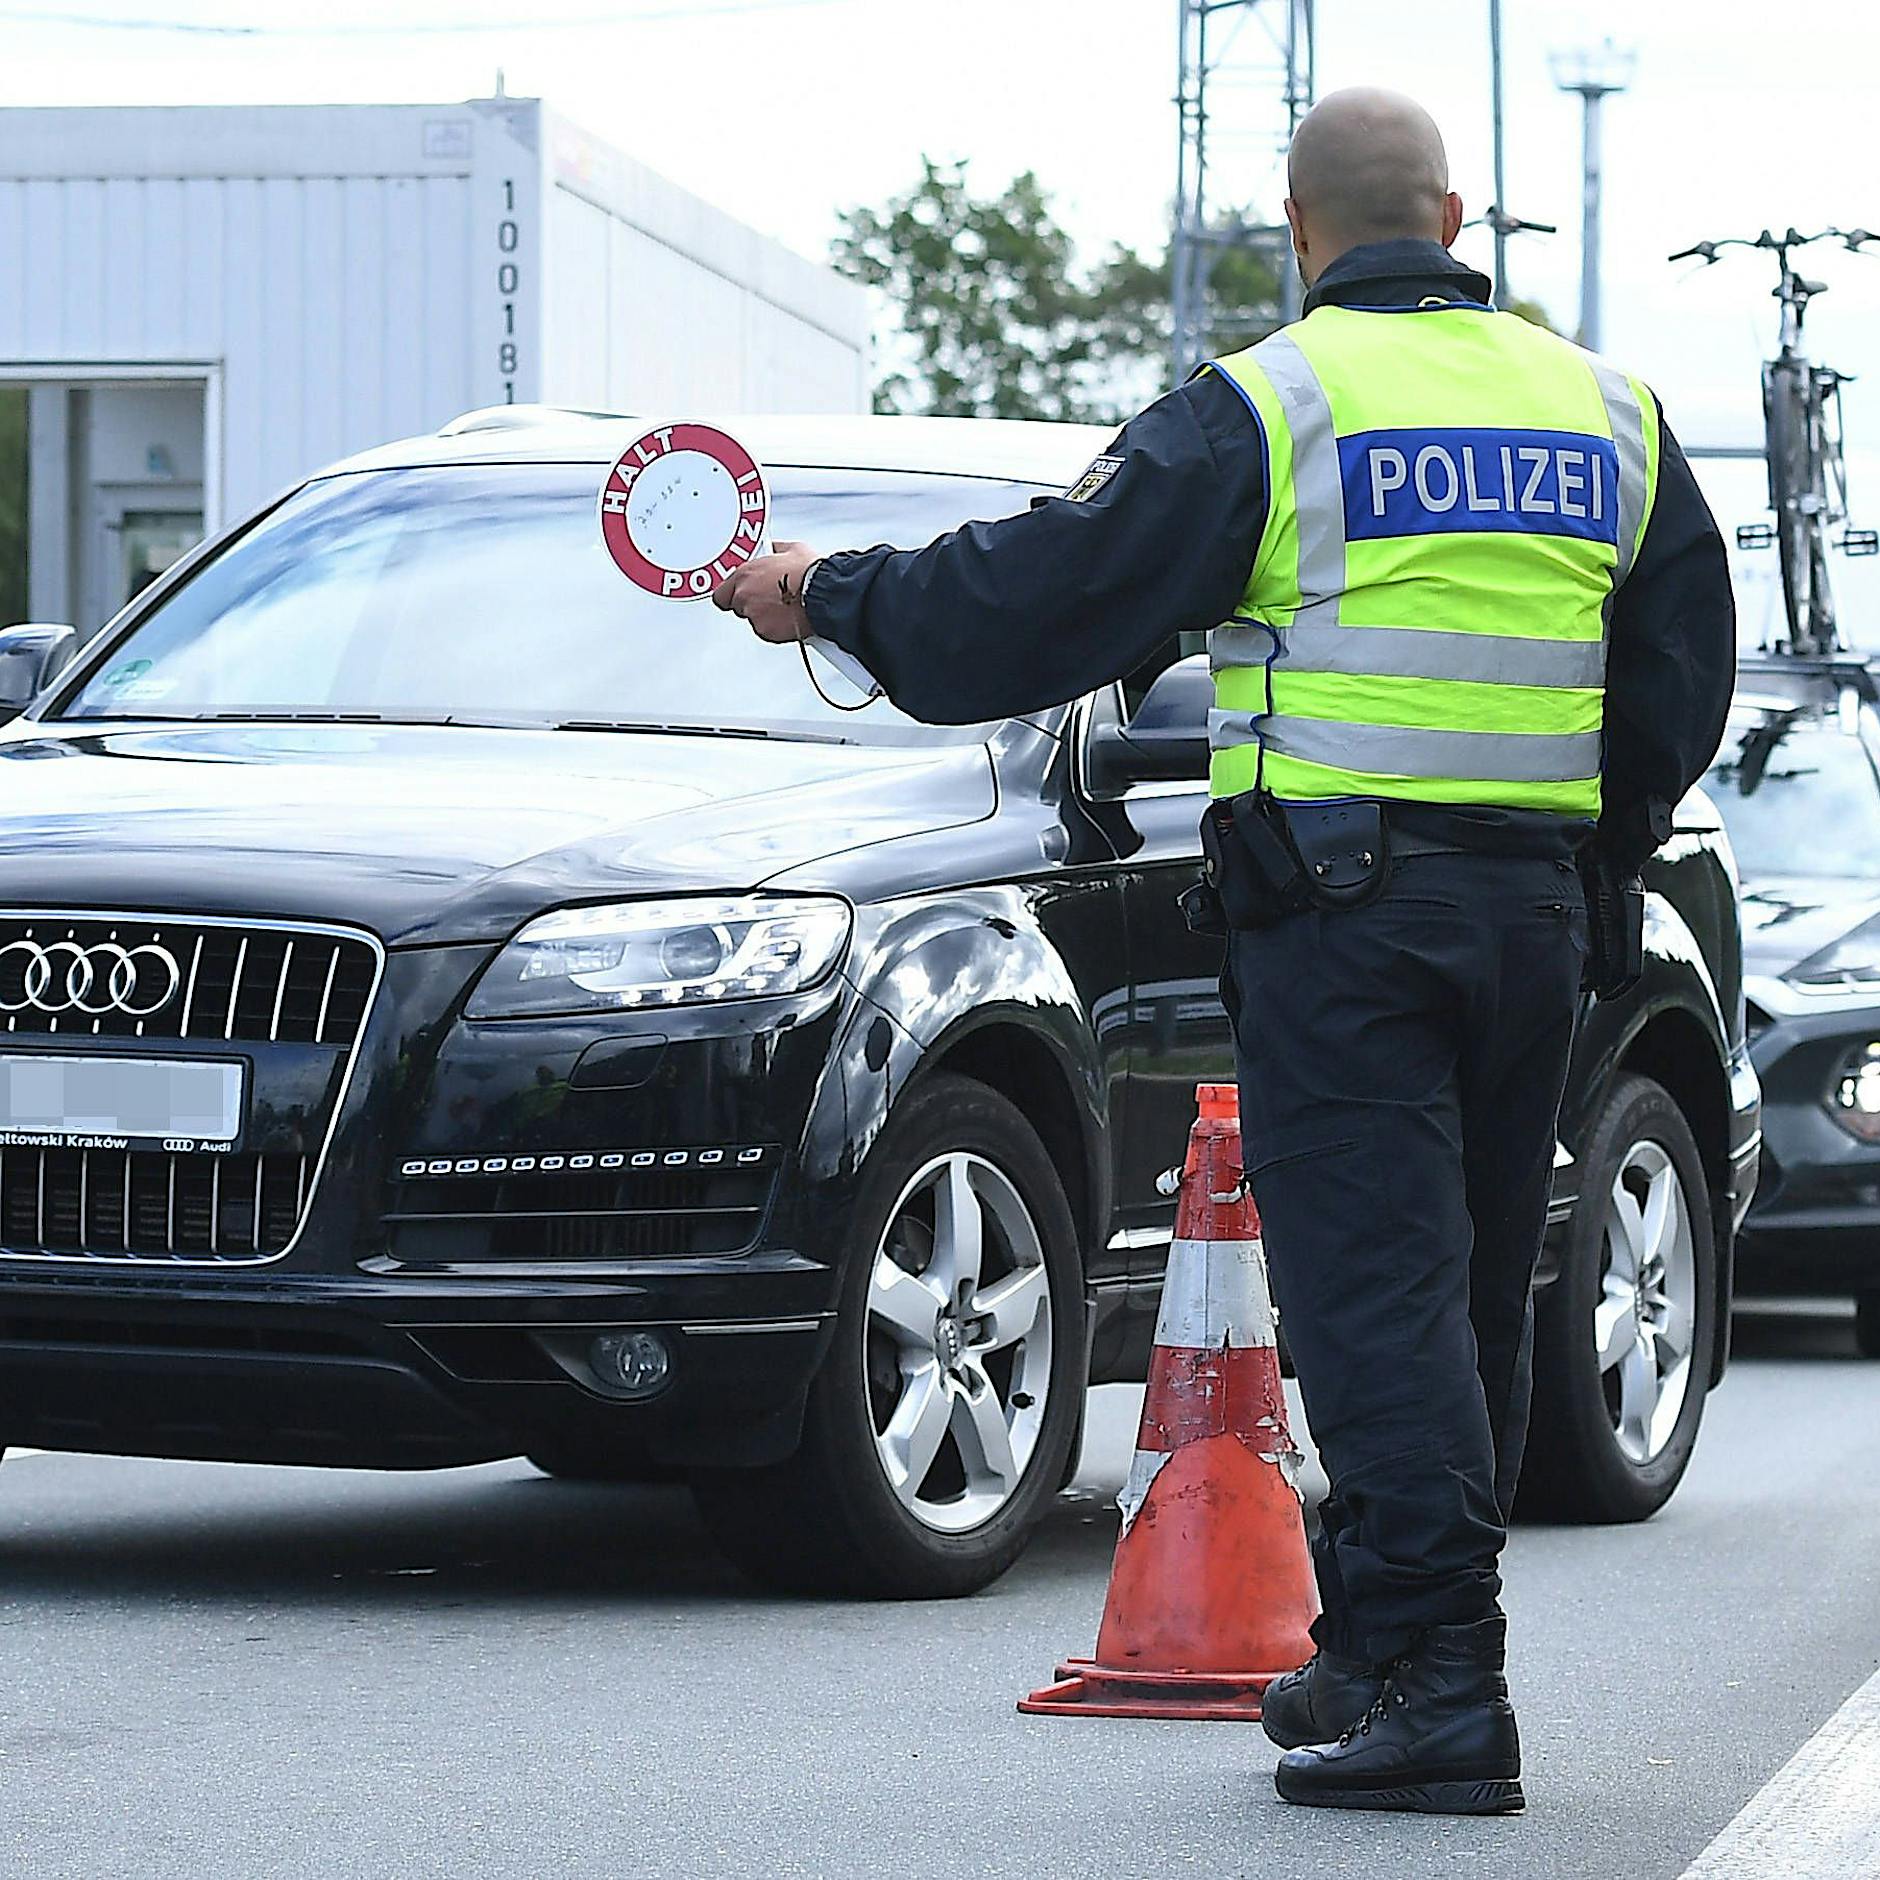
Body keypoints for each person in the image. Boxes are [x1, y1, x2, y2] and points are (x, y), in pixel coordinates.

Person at [716, 87, 1733, 1816]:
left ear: (1299, 227)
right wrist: (1599, 853)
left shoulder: (1279, 406)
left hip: (1349, 927)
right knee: (1470, 1291)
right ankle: (1382, 1647)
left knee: (1371, 1305)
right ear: (1460, 218)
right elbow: (1679, 680)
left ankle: (1444, 1696)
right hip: (1535, 923)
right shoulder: (1610, 413)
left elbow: (1040, 594)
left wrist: (828, 594)